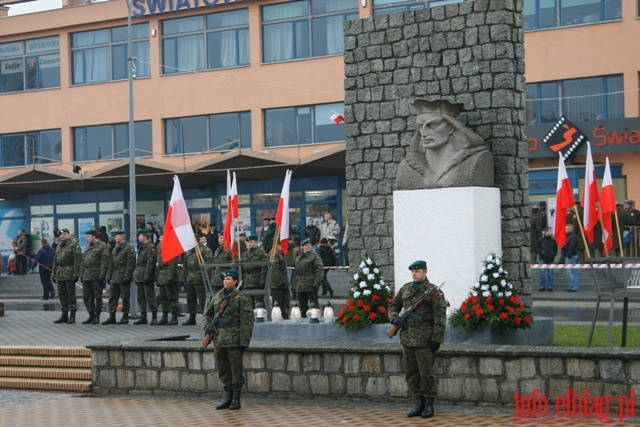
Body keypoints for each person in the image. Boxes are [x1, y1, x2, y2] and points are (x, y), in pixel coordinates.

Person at [388, 260, 446, 419]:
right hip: (407, 339)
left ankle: (428, 403)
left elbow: (440, 317)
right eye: (412, 271)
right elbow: (393, 305)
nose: (414, 273)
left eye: (418, 271)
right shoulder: (405, 289)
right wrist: (394, 320)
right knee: (411, 373)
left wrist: (437, 338)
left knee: (426, 373)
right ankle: (418, 401)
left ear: (425, 271)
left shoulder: (433, 292)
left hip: (425, 340)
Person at [394, 99, 494, 190]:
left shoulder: (475, 160)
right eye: (420, 126)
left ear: (450, 127)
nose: (423, 133)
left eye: (432, 125)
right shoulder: (407, 166)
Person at [203, 269, 254, 411]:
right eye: (224, 279)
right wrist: (209, 327)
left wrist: (244, 341)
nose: (226, 281)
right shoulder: (218, 296)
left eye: (229, 279)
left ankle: (236, 398)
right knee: (223, 369)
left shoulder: (241, 297)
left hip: (234, 339)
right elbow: (208, 314)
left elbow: (247, 321)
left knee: (236, 369)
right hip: (219, 339)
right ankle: (228, 396)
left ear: (236, 281)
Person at [103, 230, 136, 324]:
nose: (115, 238)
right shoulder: (115, 249)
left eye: (116, 236)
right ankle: (112, 316)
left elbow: (131, 265)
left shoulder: (128, 248)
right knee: (113, 297)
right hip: (115, 277)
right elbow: (111, 264)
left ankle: (125, 316)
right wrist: (109, 276)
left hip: (123, 276)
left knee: (125, 297)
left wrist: (127, 276)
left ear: (122, 237)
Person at [180, 234, 213, 325]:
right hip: (190, 278)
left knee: (202, 299)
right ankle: (192, 317)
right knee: (190, 299)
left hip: (200, 278)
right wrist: (183, 278)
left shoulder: (204, 250)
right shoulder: (189, 251)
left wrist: (206, 277)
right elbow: (185, 266)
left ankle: (207, 317)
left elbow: (208, 265)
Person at [51, 228, 82, 324]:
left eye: (64, 234)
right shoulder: (59, 245)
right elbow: (55, 260)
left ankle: (72, 315)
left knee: (71, 295)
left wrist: (76, 274)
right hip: (60, 273)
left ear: (69, 235)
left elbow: (77, 260)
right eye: (61, 234)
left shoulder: (74, 245)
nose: (62, 236)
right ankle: (64, 314)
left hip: (69, 272)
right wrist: (53, 273)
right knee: (62, 295)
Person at [79, 230, 110, 324]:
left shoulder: (102, 246)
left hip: (96, 275)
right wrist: (81, 274)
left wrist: (102, 275)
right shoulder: (88, 247)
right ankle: (91, 314)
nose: (87, 238)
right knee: (87, 296)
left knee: (97, 297)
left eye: (88, 236)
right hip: (87, 275)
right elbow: (83, 261)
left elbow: (104, 262)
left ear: (94, 236)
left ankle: (97, 315)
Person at [133, 229, 158, 325]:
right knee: (141, 296)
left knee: (150, 296)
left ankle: (154, 316)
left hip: (147, 275)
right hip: (140, 274)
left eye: (140, 236)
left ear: (145, 237)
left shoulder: (151, 247)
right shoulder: (141, 247)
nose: (139, 237)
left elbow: (150, 263)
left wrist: (147, 276)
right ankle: (143, 316)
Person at [294, 239, 323, 317]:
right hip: (300, 286)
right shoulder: (298, 258)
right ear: (302, 247)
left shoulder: (314, 257)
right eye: (306, 245)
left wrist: (316, 283)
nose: (308, 247)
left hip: (311, 285)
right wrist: (295, 283)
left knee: (314, 306)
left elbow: (319, 271)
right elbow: (296, 272)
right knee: (302, 307)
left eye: (310, 245)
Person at [156, 233, 180, 325]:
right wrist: (158, 278)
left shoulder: (171, 249)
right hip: (162, 276)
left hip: (169, 276)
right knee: (163, 298)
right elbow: (159, 266)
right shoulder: (161, 249)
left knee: (171, 297)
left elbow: (172, 265)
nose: (161, 239)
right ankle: (164, 316)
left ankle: (174, 317)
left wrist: (169, 278)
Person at [241, 235, 268, 305]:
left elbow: (264, 268)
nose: (249, 244)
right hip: (247, 281)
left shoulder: (261, 253)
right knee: (248, 302)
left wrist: (262, 282)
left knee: (259, 302)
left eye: (251, 242)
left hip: (257, 280)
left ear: (256, 242)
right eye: (249, 242)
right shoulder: (245, 254)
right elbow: (242, 268)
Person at [269, 247, 291, 319]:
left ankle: (285, 316)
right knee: (277, 304)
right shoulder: (274, 253)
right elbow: (274, 269)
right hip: (277, 284)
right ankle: (276, 318)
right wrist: (281, 281)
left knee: (286, 301)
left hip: (284, 282)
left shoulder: (281, 253)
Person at [536, 227, 558, 291]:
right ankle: (542, 286)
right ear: (546, 232)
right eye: (550, 231)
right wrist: (542, 252)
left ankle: (549, 286)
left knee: (550, 273)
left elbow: (555, 250)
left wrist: (553, 256)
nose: (551, 232)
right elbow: (536, 248)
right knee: (542, 273)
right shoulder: (541, 240)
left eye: (551, 231)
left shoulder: (553, 241)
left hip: (551, 259)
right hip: (542, 258)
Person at [562, 223, 579, 292]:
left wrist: (568, 254)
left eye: (567, 228)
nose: (565, 230)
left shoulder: (572, 236)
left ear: (570, 229)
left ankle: (574, 287)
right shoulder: (569, 236)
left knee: (572, 272)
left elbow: (571, 246)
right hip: (569, 255)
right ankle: (571, 286)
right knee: (569, 272)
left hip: (571, 256)